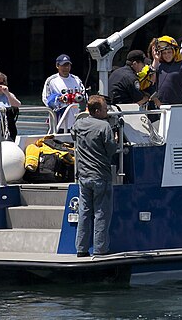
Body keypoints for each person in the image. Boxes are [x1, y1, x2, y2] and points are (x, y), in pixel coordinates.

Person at [71, 95, 117, 257]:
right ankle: (100, 250)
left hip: (83, 176)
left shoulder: (79, 124)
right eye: (105, 109)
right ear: (97, 111)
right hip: (100, 175)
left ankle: (81, 249)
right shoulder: (104, 127)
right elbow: (111, 149)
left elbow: (73, 135)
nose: (107, 111)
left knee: (84, 212)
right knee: (101, 213)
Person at [42, 54, 86, 131]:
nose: (66, 68)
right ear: (57, 66)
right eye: (63, 65)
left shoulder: (76, 79)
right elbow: (46, 99)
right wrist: (59, 100)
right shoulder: (51, 80)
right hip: (59, 123)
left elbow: (84, 96)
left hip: (76, 122)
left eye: (68, 65)